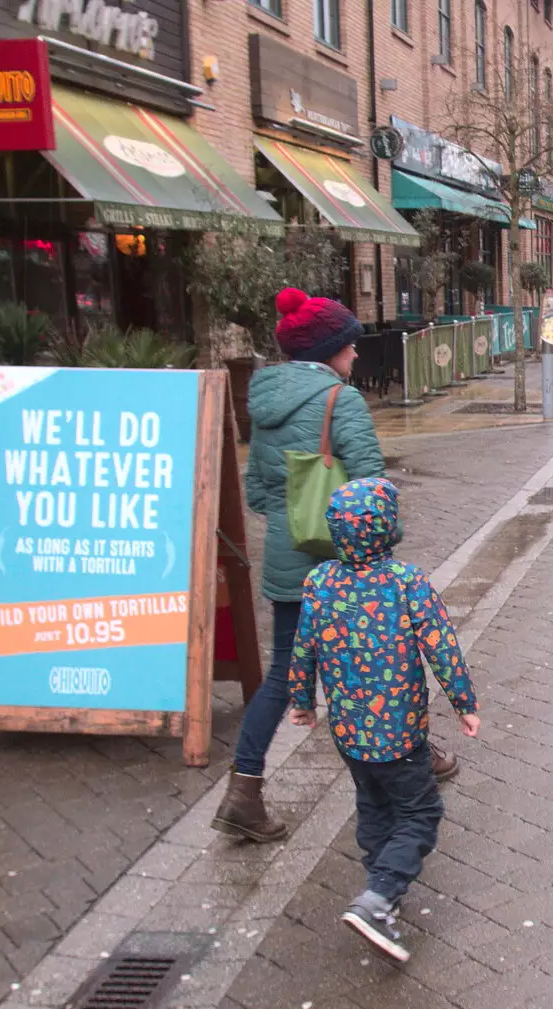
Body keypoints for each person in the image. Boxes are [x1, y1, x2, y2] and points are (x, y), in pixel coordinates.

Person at [212, 288, 426, 844]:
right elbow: (372, 487)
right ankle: (415, 762)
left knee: (286, 672)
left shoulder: (261, 400)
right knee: (385, 658)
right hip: (347, 563)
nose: (356, 356)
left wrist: (292, 524)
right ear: (330, 349)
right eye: (350, 346)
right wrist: (383, 543)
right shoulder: (341, 400)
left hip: (290, 560)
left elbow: (257, 490)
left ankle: (244, 791)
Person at [287, 478, 480, 962]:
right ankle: (379, 897)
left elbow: (303, 645)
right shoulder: (406, 582)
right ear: (388, 528)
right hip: (400, 734)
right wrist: (464, 703)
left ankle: (378, 890)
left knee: (373, 806)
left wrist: (302, 700)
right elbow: (441, 645)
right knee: (421, 812)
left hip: (349, 734)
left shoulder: (319, 581)